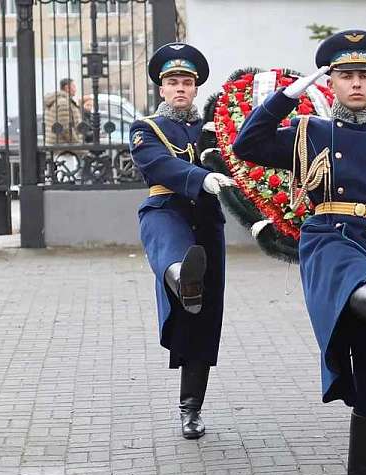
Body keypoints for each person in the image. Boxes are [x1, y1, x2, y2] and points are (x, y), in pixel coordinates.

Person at [233, 30, 366, 475]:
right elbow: (247, 144)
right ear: (333, 82)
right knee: (351, 273)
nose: (358, 83)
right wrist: (287, 97)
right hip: (329, 237)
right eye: (346, 75)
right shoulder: (311, 132)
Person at [130, 42, 233, 440]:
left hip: (207, 222)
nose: (179, 88)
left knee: (203, 319)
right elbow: (159, 164)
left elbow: (236, 160)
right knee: (172, 254)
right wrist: (198, 178)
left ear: (195, 88)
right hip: (166, 210)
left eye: (186, 82)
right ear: (161, 88)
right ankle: (181, 278)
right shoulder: (147, 128)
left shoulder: (212, 129)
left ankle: (191, 409)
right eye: (172, 81)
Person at [43, 77, 81, 145]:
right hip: (64, 146)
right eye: (74, 86)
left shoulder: (55, 101)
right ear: (67, 88)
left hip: (55, 144)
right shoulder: (63, 103)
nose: (75, 89)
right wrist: (77, 143)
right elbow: (65, 127)